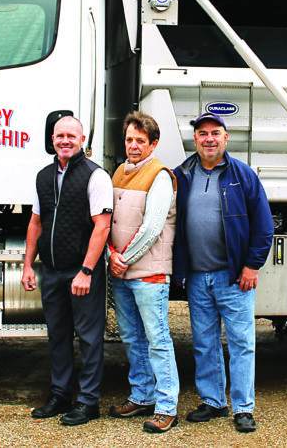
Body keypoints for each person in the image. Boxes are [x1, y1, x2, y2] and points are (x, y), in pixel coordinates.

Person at [172, 113, 273, 434]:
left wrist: (252, 265)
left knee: (242, 343)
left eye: (215, 133)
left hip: (233, 278)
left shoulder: (242, 176)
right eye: (202, 134)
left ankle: (243, 408)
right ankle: (213, 401)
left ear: (226, 138)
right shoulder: (182, 175)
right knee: (204, 342)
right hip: (198, 278)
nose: (209, 139)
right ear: (195, 140)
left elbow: (263, 226)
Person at [22, 116, 112, 426]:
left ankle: (88, 401)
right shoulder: (43, 176)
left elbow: (102, 226)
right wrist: (28, 267)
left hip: (81, 271)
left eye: (71, 135)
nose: (65, 140)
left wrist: (86, 270)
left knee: (88, 337)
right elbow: (36, 222)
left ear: (82, 139)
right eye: (59, 135)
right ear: (52, 139)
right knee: (57, 335)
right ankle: (60, 394)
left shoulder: (95, 176)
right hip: (52, 270)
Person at [106, 112, 179, 433]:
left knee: (157, 339)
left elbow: (152, 227)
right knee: (131, 336)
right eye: (129, 140)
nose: (133, 146)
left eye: (140, 141)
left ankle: (166, 406)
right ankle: (142, 394)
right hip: (121, 271)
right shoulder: (119, 172)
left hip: (148, 273)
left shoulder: (160, 175)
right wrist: (110, 253)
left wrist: (122, 259)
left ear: (153, 144)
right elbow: (107, 221)